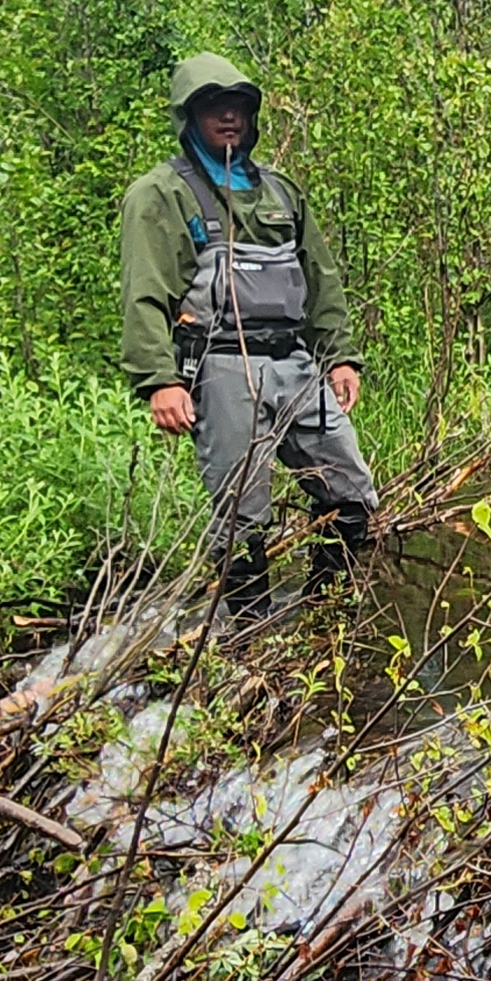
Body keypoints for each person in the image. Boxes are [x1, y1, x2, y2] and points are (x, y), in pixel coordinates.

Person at [118, 51, 376, 608]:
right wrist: (160, 381)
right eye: (214, 107)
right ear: (189, 117)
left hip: (296, 366)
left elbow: (320, 278)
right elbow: (144, 294)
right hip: (222, 369)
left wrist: (341, 356)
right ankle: (246, 644)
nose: (229, 117)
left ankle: (324, 620)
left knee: (351, 495)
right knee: (242, 518)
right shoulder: (160, 195)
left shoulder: (282, 192)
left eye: (238, 106)